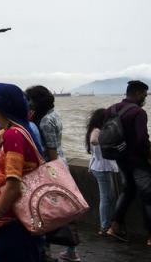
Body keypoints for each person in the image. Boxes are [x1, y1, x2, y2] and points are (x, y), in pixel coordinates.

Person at [0, 83, 45, 262]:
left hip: (12, 222)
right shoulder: (17, 131)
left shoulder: (12, 135)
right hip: (20, 220)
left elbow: (13, 186)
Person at [26, 85, 78, 261]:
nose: (28, 104)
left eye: (30, 100)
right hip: (61, 165)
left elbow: (51, 149)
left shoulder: (45, 121)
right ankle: (71, 252)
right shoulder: (54, 114)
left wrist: (52, 173)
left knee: (48, 212)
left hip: (53, 168)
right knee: (65, 212)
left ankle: (47, 250)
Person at [106, 79, 151, 247]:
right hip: (137, 160)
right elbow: (142, 139)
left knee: (128, 190)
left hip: (119, 158)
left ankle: (114, 226)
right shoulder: (138, 112)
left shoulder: (111, 110)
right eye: (144, 95)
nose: (145, 98)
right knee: (147, 196)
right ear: (138, 93)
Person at [85, 107, 118, 236]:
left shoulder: (96, 129)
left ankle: (106, 224)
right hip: (101, 168)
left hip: (100, 166)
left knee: (109, 196)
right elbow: (94, 140)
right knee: (106, 197)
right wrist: (107, 140)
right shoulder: (97, 130)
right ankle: (104, 226)